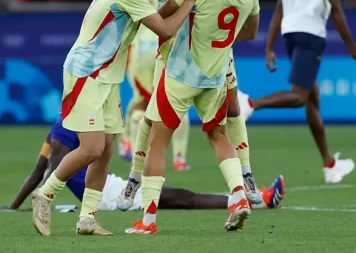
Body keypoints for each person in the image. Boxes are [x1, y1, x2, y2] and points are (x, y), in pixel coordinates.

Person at [31, 0, 198, 237]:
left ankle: (87, 219)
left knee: (106, 149)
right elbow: (164, 28)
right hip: (86, 73)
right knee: (92, 147)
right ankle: (45, 194)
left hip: (108, 76)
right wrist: (188, 2)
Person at [100, 0, 263, 204]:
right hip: (174, 43)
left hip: (212, 46)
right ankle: (134, 179)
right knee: (152, 119)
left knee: (233, 109)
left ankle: (247, 177)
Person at [239, 0, 355, 184]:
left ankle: (330, 164)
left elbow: (280, 7)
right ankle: (249, 104)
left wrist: (269, 47)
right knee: (300, 97)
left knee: (312, 96)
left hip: (290, 33)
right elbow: (335, 5)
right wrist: (351, 46)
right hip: (311, 33)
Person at [1, 118, 285, 213]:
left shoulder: (59, 125)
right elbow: (48, 170)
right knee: (179, 198)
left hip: (109, 186)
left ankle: (248, 200)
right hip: (104, 199)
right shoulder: (66, 124)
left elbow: (39, 171)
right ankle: (256, 201)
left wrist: (14, 207)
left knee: (176, 195)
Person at [97, 0, 191, 170]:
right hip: (163, 46)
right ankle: (179, 157)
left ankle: (127, 142)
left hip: (140, 50)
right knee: (173, 102)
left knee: (141, 100)